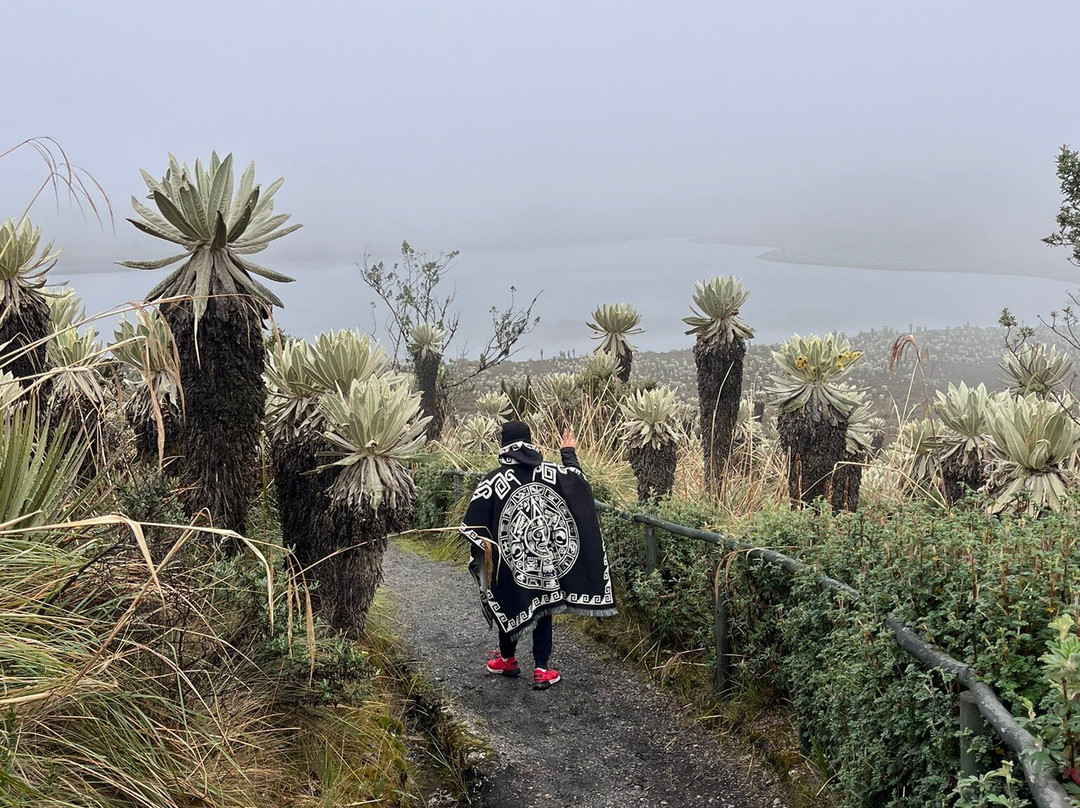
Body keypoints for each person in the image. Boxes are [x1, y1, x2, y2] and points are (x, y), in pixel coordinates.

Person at [460, 420, 616, 690]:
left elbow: (475, 525)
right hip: (546, 562)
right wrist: (568, 451)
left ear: (503, 445)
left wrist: (485, 556)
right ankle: (541, 668)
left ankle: (507, 659)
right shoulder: (551, 473)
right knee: (544, 606)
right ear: (530, 441)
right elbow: (578, 483)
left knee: (508, 600)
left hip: (509, 561)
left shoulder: (492, 480)